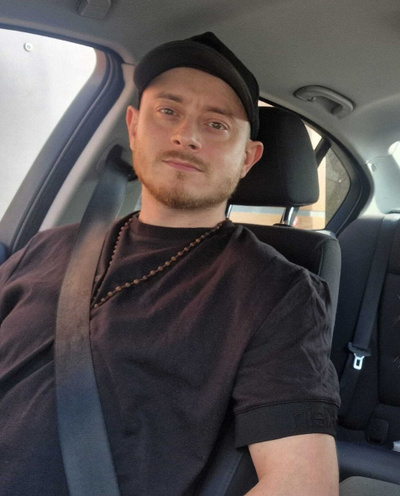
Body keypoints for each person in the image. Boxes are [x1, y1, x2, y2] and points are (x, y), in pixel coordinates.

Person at [0, 32, 340, 495]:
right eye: (168, 111)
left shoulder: (279, 292)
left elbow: (303, 483)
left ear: (248, 158)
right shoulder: (47, 246)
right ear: (133, 127)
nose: (186, 136)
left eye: (216, 124)